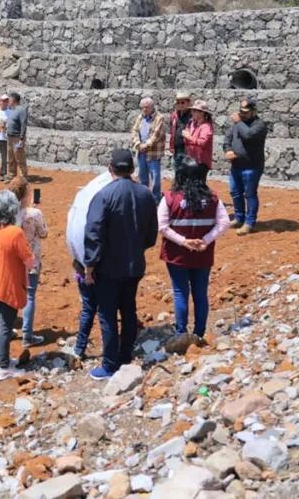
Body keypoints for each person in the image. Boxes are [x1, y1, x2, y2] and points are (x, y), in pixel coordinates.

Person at [83, 149, 158, 380]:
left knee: (107, 314)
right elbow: (151, 234)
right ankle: (125, 356)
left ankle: (109, 364)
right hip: (134, 265)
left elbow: (93, 232)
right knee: (128, 310)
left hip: (108, 268)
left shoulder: (103, 196)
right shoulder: (145, 194)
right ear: (133, 169)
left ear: (110, 168)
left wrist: (90, 264)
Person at [158, 157, 231, 353]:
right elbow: (224, 223)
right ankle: (199, 334)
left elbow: (162, 226)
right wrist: (205, 240)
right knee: (200, 294)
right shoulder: (213, 198)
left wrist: (183, 242)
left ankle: (181, 333)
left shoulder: (169, 198)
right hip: (202, 255)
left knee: (181, 293)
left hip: (177, 256)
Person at [0, 190, 35, 380]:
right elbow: (29, 260)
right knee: (5, 324)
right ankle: (4, 367)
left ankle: (0, 359)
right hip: (8, 284)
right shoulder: (15, 232)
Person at [65, 173, 113, 359]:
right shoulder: (101, 213)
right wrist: (90, 268)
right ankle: (109, 350)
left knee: (88, 308)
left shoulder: (80, 206)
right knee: (105, 309)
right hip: (99, 269)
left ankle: (79, 348)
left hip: (81, 266)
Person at [9, 178, 48, 348]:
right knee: (29, 296)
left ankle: (8, 329)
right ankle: (27, 335)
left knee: (11, 296)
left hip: (12, 260)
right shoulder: (34, 214)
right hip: (31, 259)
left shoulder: (8, 212)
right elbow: (44, 233)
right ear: (26, 193)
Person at [223, 97, 268, 235]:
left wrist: (238, 122)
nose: (243, 114)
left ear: (253, 111)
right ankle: (239, 218)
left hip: (252, 167)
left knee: (250, 194)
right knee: (235, 193)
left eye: (246, 112)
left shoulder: (259, 125)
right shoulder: (238, 125)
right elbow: (227, 139)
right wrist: (228, 150)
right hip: (236, 166)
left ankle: (249, 222)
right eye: (241, 111)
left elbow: (248, 135)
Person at [131, 97, 166, 202]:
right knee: (142, 175)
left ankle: (156, 198)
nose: (144, 110)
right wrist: (138, 143)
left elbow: (157, 134)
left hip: (153, 152)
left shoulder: (159, 118)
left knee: (155, 176)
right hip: (141, 151)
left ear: (152, 106)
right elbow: (134, 130)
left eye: (146, 107)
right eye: (143, 107)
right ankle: (144, 197)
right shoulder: (140, 117)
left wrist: (146, 145)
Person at [183, 100, 215, 169]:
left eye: (195, 111)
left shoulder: (206, 127)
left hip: (201, 162)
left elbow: (202, 142)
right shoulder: (192, 124)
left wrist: (188, 137)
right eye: (192, 110)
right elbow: (187, 142)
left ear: (202, 113)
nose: (192, 113)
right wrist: (186, 136)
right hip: (191, 159)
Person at [6, 92, 29, 180]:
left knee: (19, 157)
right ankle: (12, 175)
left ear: (14, 100)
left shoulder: (21, 110)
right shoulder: (12, 110)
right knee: (11, 157)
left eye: (10, 99)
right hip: (10, 137)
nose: (8, 101)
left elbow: (23, 124)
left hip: (17, 138)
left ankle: (23, 177)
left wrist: (21, 138)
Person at [169, 91, 193, 167]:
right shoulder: (174, 115)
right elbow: (172, 131)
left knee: (187, 170)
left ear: (188, 103)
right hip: (177, 148)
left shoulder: (192, 116)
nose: (180, 105)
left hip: (188, 148)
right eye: (178, 103)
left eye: (182, 102)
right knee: (177, 169)